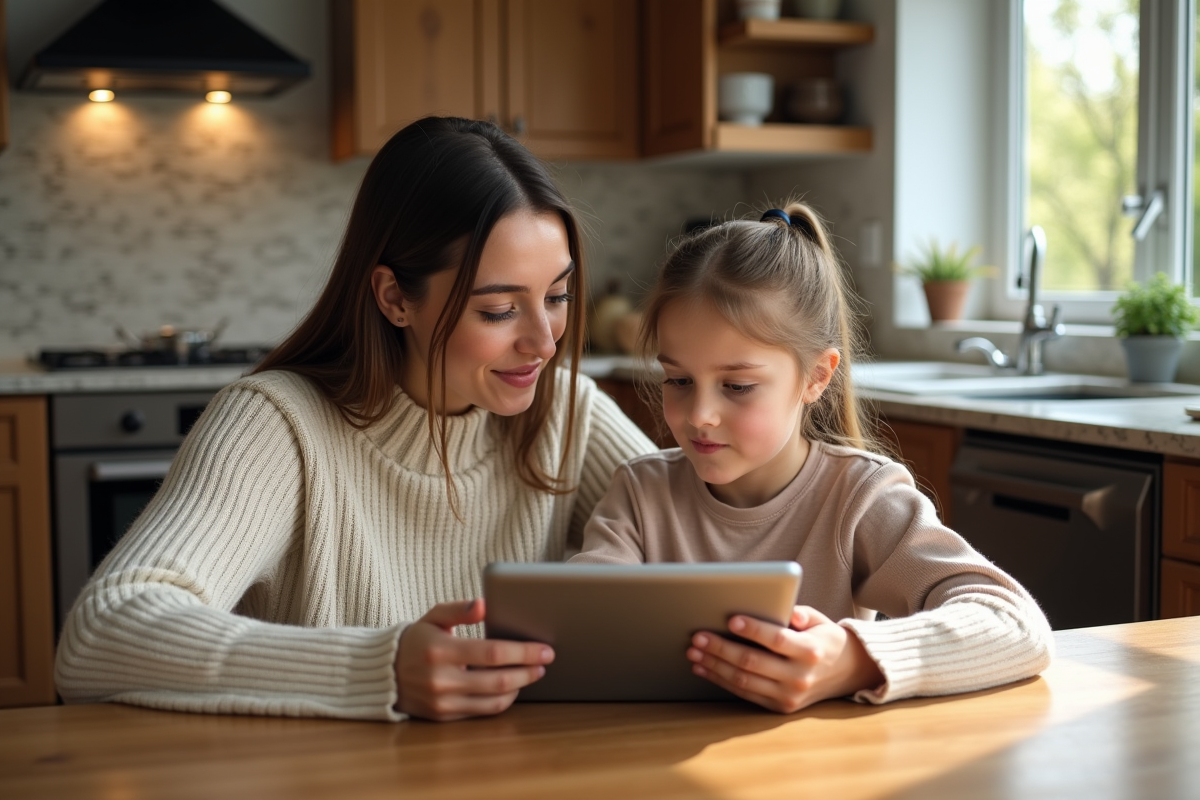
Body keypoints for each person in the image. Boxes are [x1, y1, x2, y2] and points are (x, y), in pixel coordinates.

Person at [55, 117, 657, 722]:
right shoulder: (278, 427)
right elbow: (101, 633)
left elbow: (718, 554)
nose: (544, 342)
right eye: (499, 310)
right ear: (395, 297)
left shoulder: (568, 413)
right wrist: (378, 666)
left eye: (557, 297)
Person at [572, 202, 1053, 713]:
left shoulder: (860, 497)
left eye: (737, 386)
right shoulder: (640, 493)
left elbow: (1016, 624)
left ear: (816, 377)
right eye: (679, 381)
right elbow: (578, 620)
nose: (700, 415)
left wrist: (853, 659)